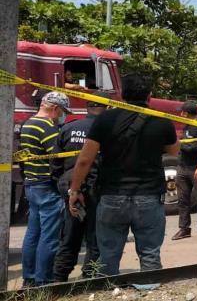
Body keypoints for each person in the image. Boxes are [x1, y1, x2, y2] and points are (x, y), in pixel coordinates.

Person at [68, 75, 179, 276]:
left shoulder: (105, 120)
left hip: (111, 196)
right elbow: (173, 152)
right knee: (150, 254)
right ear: (149, 96)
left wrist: (74, 190)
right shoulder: (163, 121)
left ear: (122, 95)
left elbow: (85, 160)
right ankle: (150, 294)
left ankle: (109, 297)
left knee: (107, 255)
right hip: (149, 196)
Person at [50, 92, 108, 282]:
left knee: (69, 236)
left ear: (87, 107)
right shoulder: (109, 130)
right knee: (95, 236)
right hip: (96, 189)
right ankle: (90, 277)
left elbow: (55, 165)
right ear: (106, 108)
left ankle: (59, 280)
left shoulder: (69, 128)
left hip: (71, 189)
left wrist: (67, 188)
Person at [20, 91, 71, 286]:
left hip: (31, 184)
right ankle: (44, 281)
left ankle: (30, 278)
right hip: (46, 186)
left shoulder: (28, 123)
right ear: (55, 108)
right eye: (62, 112)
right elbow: (56, 158)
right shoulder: (47, 127)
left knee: (33, 233)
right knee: (49, 237)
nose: (61, 116)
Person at [172, 101, 197, 240]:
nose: (180, 114)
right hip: (183, 167)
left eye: (182, 112)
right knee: (183, 200)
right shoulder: (186, 126)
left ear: (186, 113)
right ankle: (184, 229)